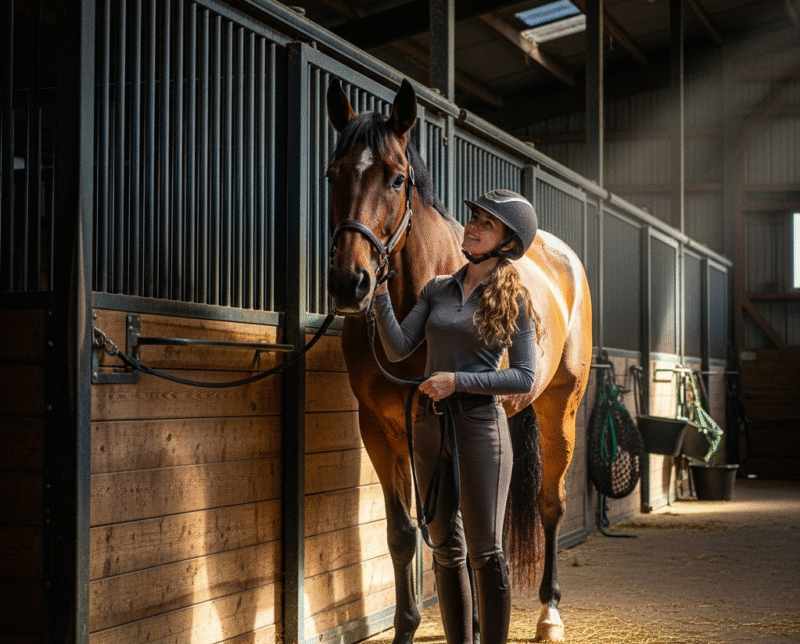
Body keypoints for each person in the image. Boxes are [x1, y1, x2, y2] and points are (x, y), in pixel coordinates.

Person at [371, 189, 539, 644]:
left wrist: (456, 381)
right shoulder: (437, 289)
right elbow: (399, 347)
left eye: (487, 223)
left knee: (485, 552)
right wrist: (381, 295)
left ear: (508, 242)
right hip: (429, 426)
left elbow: (525, 376)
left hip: (481, 427)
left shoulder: (513, 297)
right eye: (474, 218)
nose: (473, 226)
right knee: (445, 549)